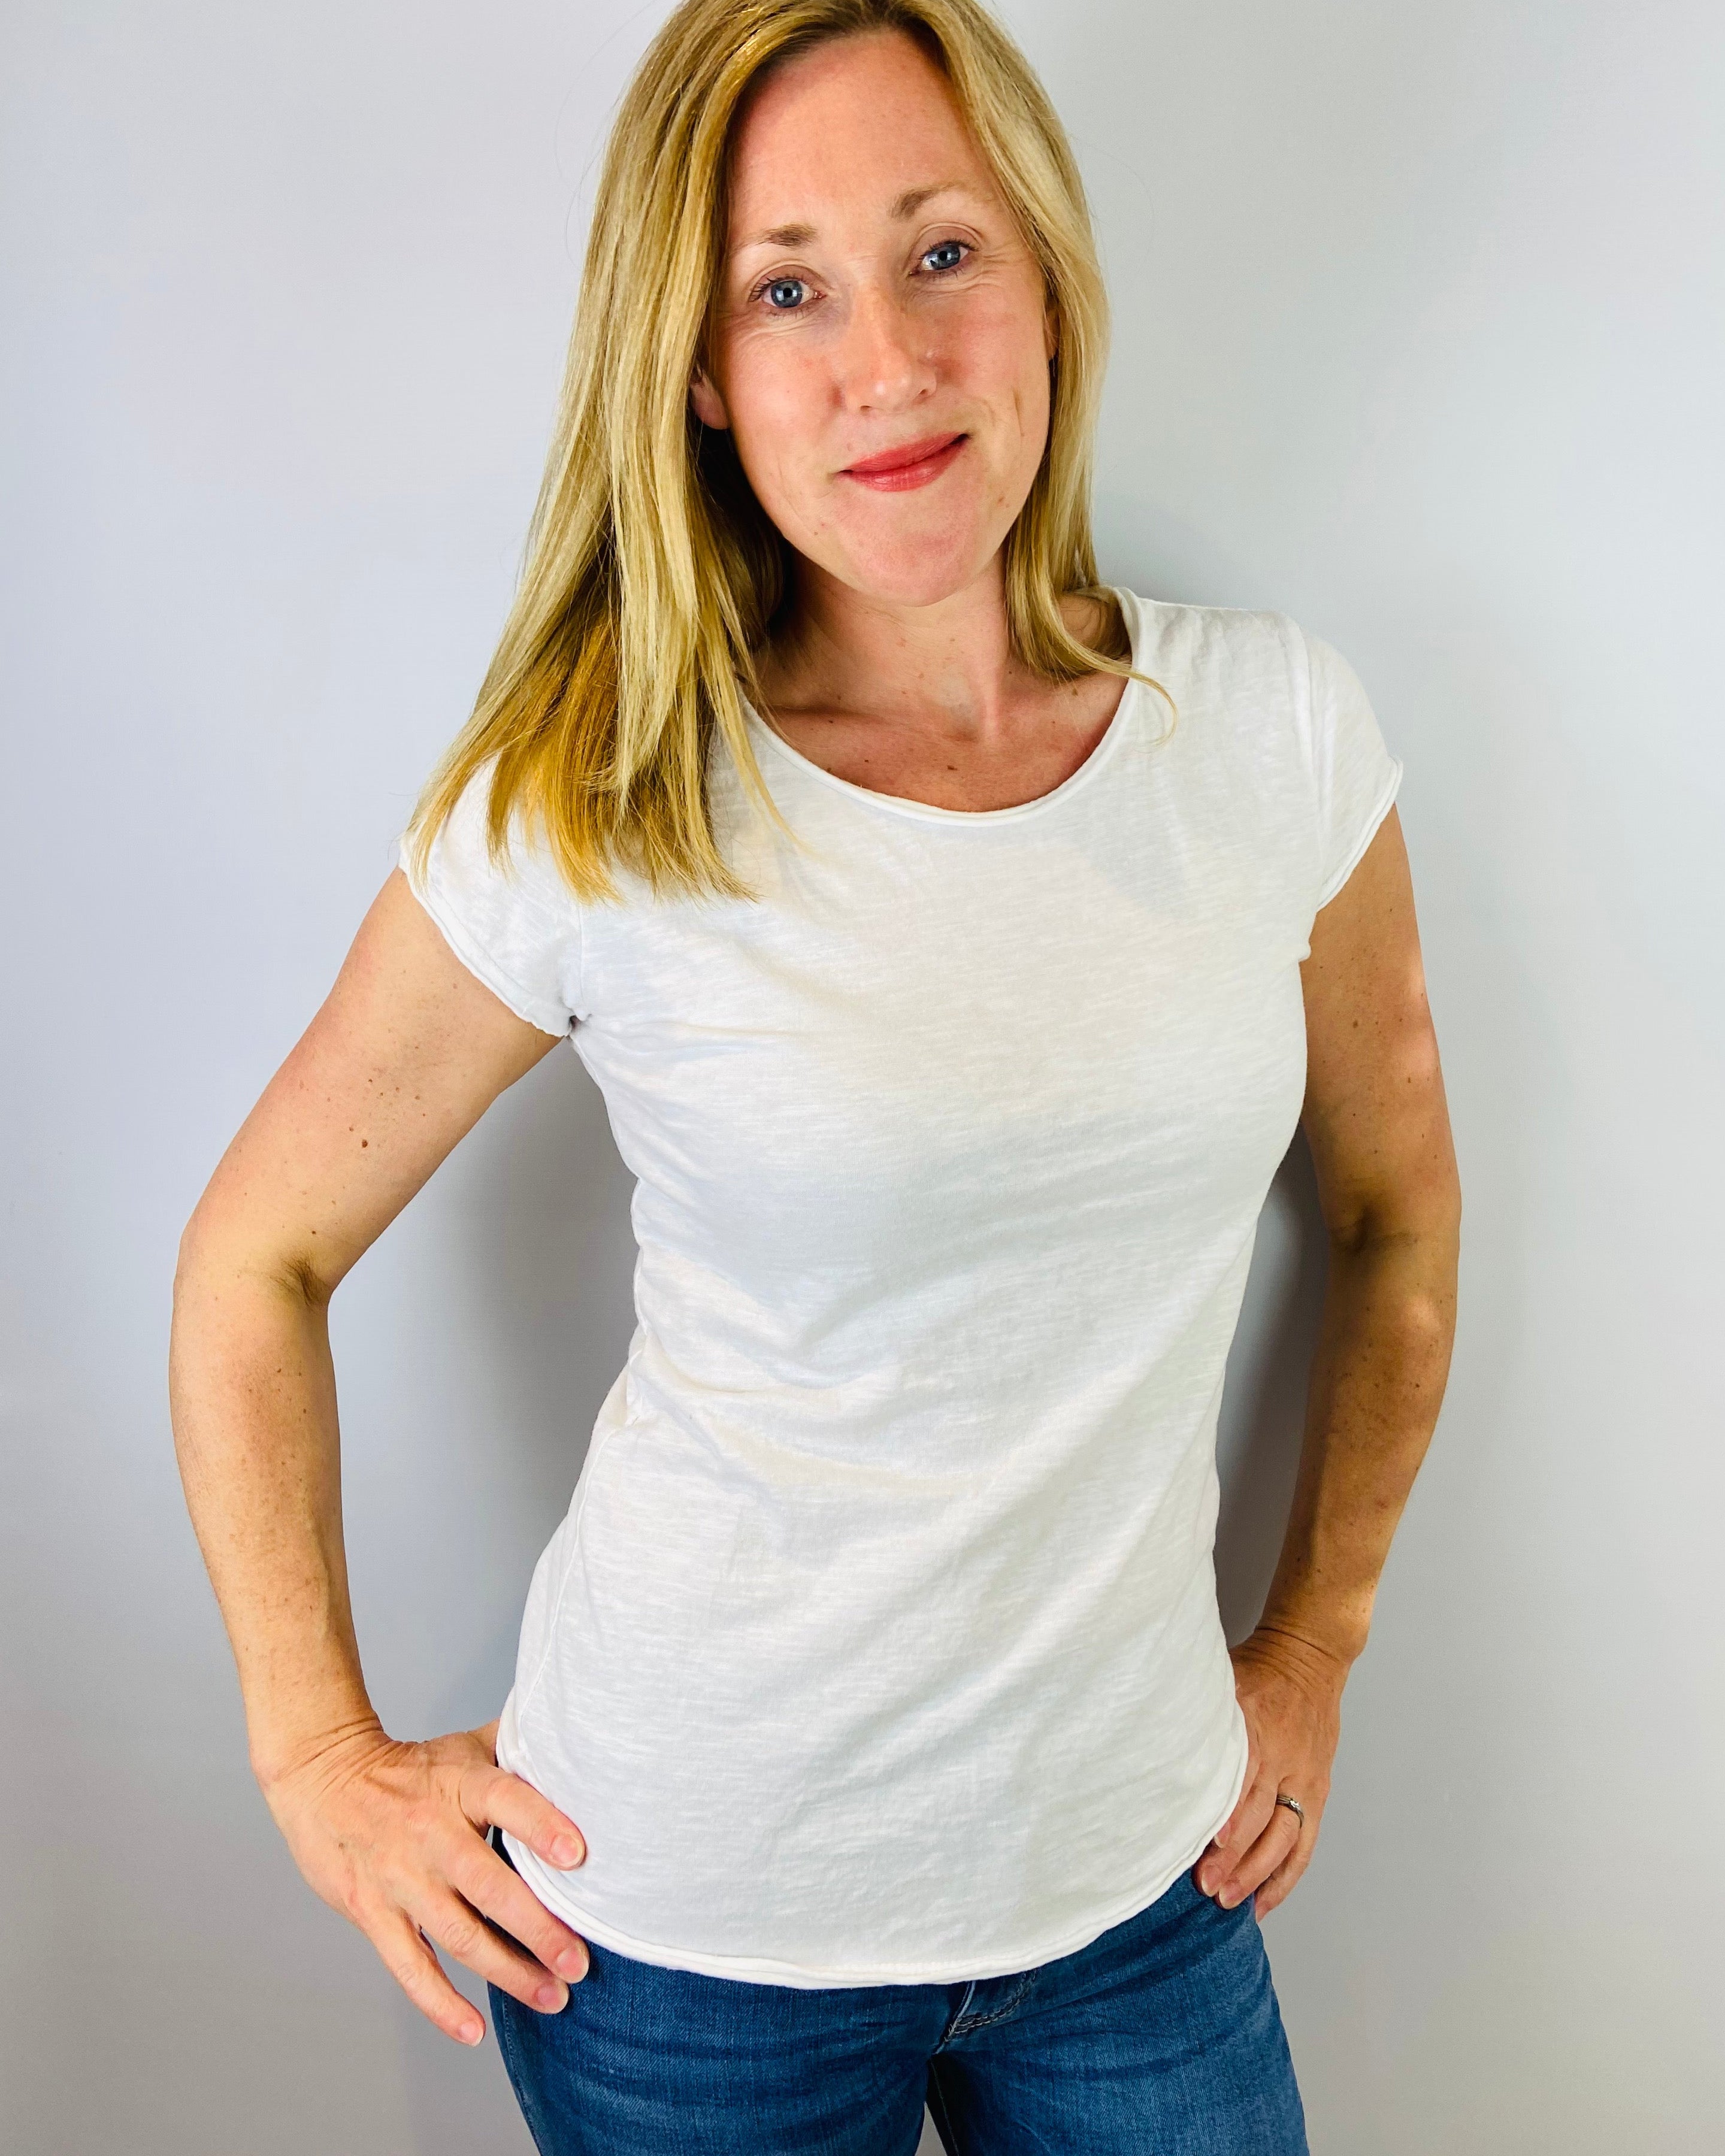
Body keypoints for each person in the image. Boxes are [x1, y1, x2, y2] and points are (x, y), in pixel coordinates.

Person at [168, 1, 1461, 2149]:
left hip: (1144, 1887)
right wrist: (316, 1751)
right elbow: (255, 1258)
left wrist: (1311, 1647)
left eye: (944, 249)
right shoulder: (598, 797)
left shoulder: (1274, 740)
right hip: (679, 1938)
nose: (889, 360)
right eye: (789, 288)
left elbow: (1397, 1215)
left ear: (1045, 273)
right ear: (701, 371)